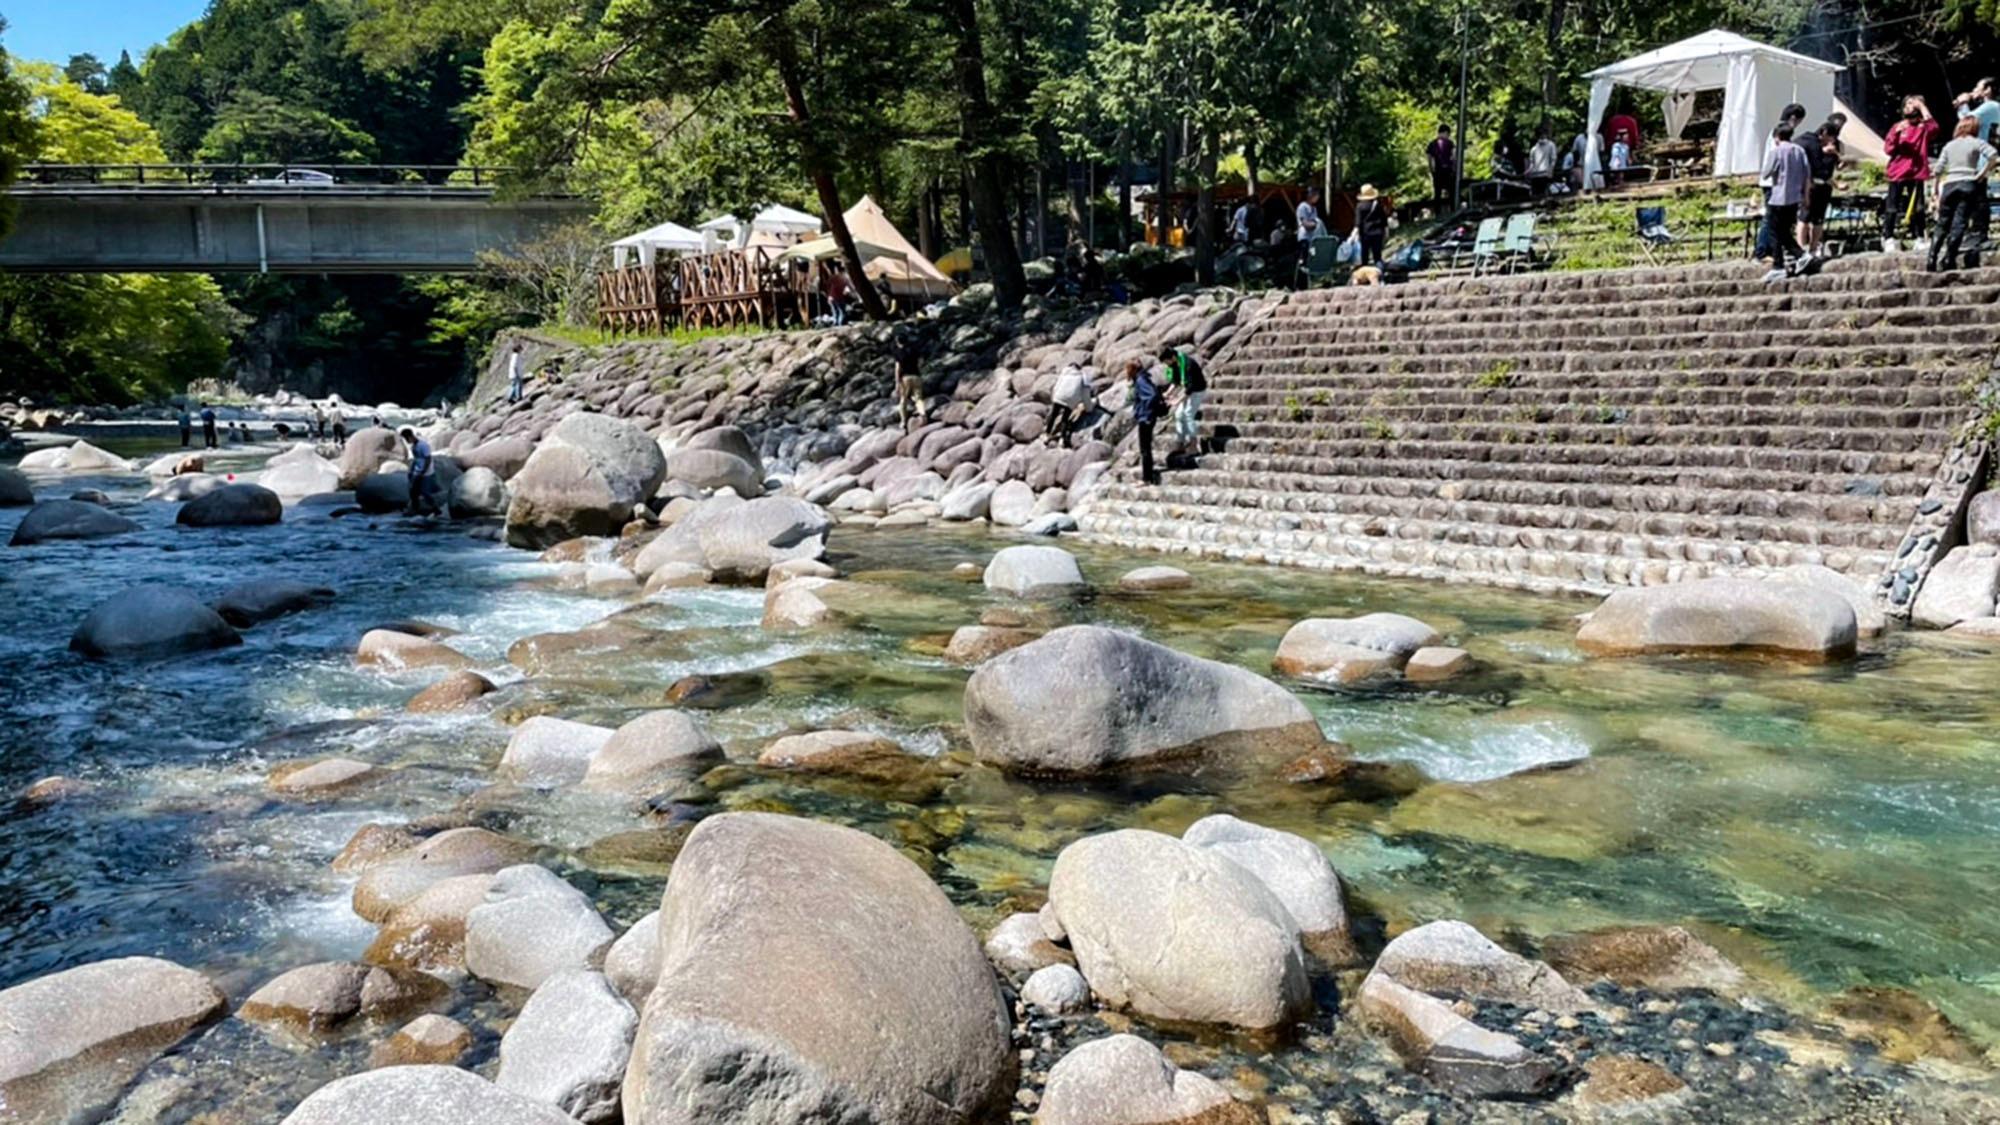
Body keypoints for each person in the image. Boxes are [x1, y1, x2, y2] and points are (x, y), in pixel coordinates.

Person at [1929, 116, 1997, 271]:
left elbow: (1938, 169)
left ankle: (1931, 257)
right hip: (1968, 182)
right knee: (1959, 223)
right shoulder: (1976, 142)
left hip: (1950, 184)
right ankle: (1949, 258)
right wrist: (1982, 173)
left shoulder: (1949, 145)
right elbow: (1993, 156)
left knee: (1942, 223)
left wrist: (1935, 189)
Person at [1882, 96, 1938, 252]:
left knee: (1919, 207)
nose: (1909, 106)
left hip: (1916, 172)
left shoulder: (1923, 127)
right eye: (1907, 104)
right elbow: (1888, 149)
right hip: (1898, 172)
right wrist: (1896, 134)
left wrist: (1922, 107)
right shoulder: (1898, 126)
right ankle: (1888, 237)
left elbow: (1934, 128)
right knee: (1892, 207)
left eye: (1912, 104)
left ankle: (1919, 237)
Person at [1758, 122, 1811, 274]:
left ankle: (1780, 265)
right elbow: (1807, 176)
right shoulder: (1800, 151)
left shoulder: (1776, 151)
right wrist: (1806, 197)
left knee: (1774, 231)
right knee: (1784, 230)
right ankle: (1797, 256)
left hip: (1778, 197)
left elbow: (1766, 173)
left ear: (1777, 137)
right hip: (1795, 198)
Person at [1798, 121, 1840, 253]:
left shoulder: (1805, 140)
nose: (1831, 141)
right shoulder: (1813, 144)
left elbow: (1838, 165)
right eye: (1831, 137)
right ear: (1824, 133)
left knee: (1815, 218)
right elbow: (1817, 167)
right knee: (1805, 217)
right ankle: (1804, 248)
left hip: (1819, 186)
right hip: (1811, 185)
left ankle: (1811, 248)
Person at [1160, 344, 1207, 457]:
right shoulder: (1175, 364)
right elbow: (1176, 381)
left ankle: (1194, 445)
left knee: (1188, 414)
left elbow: (1190, 388)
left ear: (1172, 357)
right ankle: (1180, 443)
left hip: (1197, 390)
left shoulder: (1188, 364)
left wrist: (1177, 401)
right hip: (1188, 389)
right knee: (1179, 414)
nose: (1167, 365)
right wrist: (1168, 393)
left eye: (1167, 362)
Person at [1125, 358, 1162, 486]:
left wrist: (1145, 411)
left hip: (1145, 418)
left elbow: (1151, 395)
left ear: (1133, 370)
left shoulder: (1140, 381)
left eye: (1128, 369)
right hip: (1147, 417)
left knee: (1145, 449)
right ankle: (1148, 476)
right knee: (1145, 448)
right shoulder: (1143, 378)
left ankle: (1147, 478)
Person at [1045, 365, 1093, 448]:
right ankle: (1062, 439)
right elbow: (1086, 395)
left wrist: (1054, 398)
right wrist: (1089, 408)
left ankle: (1046, 435)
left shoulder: (1064, 373)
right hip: (1071, 399)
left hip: (1059, 396)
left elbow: (1057, 386)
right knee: (1065, 418)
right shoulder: (1083, 376)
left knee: (1053, 415)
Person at [893, 335, 927, 430]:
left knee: (903, 400)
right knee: (918, 398)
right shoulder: (914, 350)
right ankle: (923, 414)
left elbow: (897, 368)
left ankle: (903, 421)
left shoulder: (898, 352)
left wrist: (897, 382)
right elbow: (921, 361)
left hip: (905, 378)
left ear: (898, 342)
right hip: (916, 376)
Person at [400, 427, 436, 515]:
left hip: (426, 473)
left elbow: (428, 459)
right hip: (417, 472)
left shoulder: (423, 445)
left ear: (410, 436)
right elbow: (416, 460)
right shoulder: (414, 447)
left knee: (425, 492)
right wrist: (411, 470)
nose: (406, 441)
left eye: (406, 438)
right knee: (413, 491)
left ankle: (436, 509)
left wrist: (423, 471)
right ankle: (415, 509)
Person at [1353, 184, 1390, 266]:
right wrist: (1387, 232)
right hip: (1378, 233)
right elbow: (1384, 220)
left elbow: (1358, 222)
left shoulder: (1360, 206)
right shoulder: (1378, 205)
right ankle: (1380, 273)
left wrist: (1354, 234)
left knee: (1364, 255)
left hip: (1365, 234)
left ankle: (1365, 273)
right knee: (1377, 256)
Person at [1957, 78, 2000, 145]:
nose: (1974, 90)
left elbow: (1966, 120)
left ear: (1987, 90)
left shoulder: (1991, 105)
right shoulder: (1991, 106)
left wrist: (1963, 103)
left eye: (1977, 87)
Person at [1427, 125, 1457, 209]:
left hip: (1438, 171)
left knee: (1437, 193)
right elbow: (1454, 157)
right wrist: (1454, 169)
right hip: (1448, 170)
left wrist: (1432, 171)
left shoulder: (1432, 144)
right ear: (1446, 132)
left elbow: (1430, 159)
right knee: (1451, 192)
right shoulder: (1450, 143)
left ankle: (1438, 213)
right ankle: (1453, 210)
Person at [1526, 126, 1559, 196]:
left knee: (1537, 195)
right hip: (1544, 174)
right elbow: (1553, 160)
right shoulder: (1551, 145)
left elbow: (1532, 164)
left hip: (1537, 175)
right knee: (1544, 195)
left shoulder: (1534, 149)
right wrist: (1551, 171)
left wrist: (1528, 172)